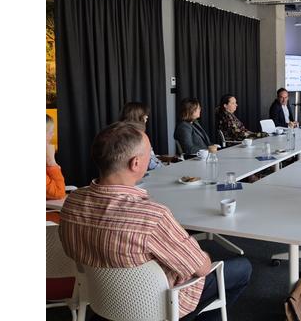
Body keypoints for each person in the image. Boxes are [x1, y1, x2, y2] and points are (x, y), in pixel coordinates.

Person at [59, 122, 252, 321]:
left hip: (103, 302)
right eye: (149, 154)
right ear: (135, 163)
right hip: (158, 306)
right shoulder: (151, 217)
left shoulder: (72, 203)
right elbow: (201, 268)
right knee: (242, 268)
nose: (152, 158)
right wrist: (203, 256)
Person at [119, 101, 166, 170]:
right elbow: (149, 162)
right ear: (137, 116)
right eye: (145, 114)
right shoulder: (137, 135)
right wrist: (164, 168)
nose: (147, 116)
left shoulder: (120, 132)